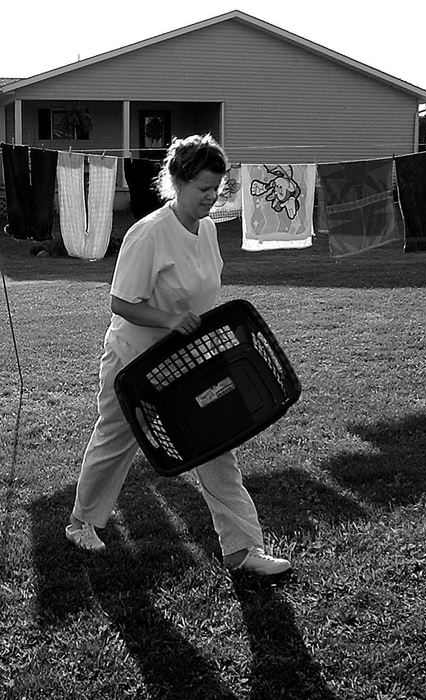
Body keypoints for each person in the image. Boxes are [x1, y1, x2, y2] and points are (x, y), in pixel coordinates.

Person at [64, 134, 291, 577]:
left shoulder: (207, 229)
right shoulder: (147, 234)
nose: (213, 197)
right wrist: (170, 320)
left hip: (188, 363)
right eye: (204, 189)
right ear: (177, 181)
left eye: (218, 188)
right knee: (115, 438)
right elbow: (121, 302)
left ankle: (243, 550)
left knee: (216, 444)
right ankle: (81, 523)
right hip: (135, 363)